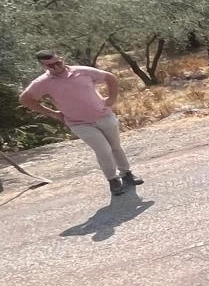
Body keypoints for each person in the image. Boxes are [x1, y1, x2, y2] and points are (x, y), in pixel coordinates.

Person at [19, 50, 143, 197]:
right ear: (43, 66)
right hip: (78, 123)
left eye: (58, 62)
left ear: (62, 58)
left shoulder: (82, 71)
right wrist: (53, 114)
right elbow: (25, 99)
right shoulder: (43, 83)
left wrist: (111, 99)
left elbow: (110, 78)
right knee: (103, 149)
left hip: (103, 115)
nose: (56, 67)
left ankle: (126, 174)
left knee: (115, 146)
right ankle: (113, 180)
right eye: (51, 66)